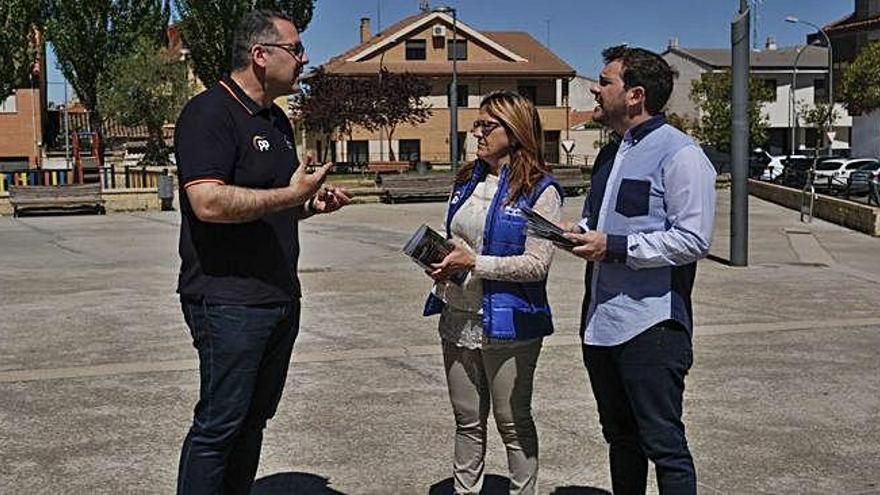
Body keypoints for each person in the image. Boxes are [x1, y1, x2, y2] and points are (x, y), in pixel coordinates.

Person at [173, 10, 350, 494]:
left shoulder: (275, 121)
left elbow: (271, 204)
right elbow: (207, 202)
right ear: (260, 55)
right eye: (295, 49)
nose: (304, 59)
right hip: (228, 301)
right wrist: (291, 198)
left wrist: (309, 204)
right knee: (219, 425)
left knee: (253, 422)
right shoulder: (209, 113)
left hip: (277, 297)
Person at [562, 46, 716, 495]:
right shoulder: (610, 155)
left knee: (664, 445)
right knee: (621, 440)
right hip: (600, 323)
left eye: (604, 81)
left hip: (652, 326)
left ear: (635, 95)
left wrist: (613, 246)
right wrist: (580, 231)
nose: (594, 87)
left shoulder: (681, 154)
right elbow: (602, 223)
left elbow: (692, 240)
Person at [424, 91, 563, 495]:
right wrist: (443, 260)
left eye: (488, 125)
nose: (478, 133)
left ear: (514, 130)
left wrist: (474, 264)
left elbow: (537, 265)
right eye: (477, 124)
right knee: (467, 420)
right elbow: (460, 240)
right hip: (458, 314)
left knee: (513, 420)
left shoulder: (541, 190)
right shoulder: (466, 179)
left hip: (509, 321)